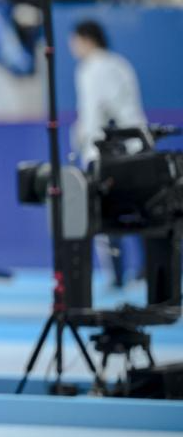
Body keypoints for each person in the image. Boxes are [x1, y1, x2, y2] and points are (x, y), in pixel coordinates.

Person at [69, 20, 148, 288]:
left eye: (74, 40)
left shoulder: (91, 69)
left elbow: (95, 112)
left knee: (102, 213)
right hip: (137, 148)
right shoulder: (121, 64)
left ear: (86, 39)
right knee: (142, 211)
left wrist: (85, 142)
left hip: (107, 152)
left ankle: (116, 275)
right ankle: (148, 271)